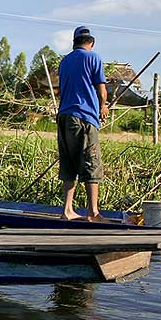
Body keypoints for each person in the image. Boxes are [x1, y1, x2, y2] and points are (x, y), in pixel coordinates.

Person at [56, 26, 108, 222]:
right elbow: (101, 89)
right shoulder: (93, 57)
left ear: (74, 42)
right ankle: (93, 213)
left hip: (64, 116)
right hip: (84, 117)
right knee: (90, 163)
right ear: (91, 42)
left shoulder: (65, 61)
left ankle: (67, 210)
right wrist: (103, 106)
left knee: (69, 164)